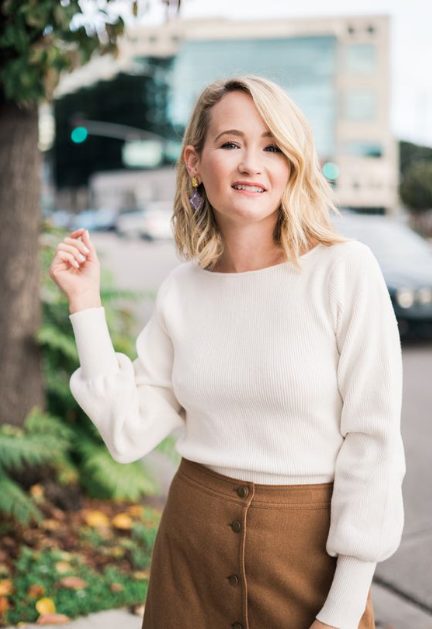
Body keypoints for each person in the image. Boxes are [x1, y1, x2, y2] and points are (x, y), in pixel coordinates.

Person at [49, 75, 406, 629]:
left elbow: (374, 445)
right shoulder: (181, 290)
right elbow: (127, 433)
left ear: (292, 165)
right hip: (189, 560)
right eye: (231, 143)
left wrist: (341, 611)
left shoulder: (344, 270)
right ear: (195, 161)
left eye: (272, 146)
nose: (251, 163)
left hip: (308, 565)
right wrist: (85, 304)